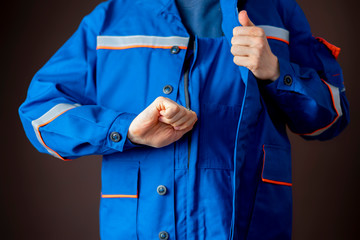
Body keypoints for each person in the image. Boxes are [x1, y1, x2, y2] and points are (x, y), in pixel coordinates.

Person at [19, 0, 349, 239]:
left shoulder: (280, 13)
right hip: (140, 229)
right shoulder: (110, 20)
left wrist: (278, 72)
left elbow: (331, 117)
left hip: (252, 227)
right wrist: (125, 130)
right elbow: (40, 111)